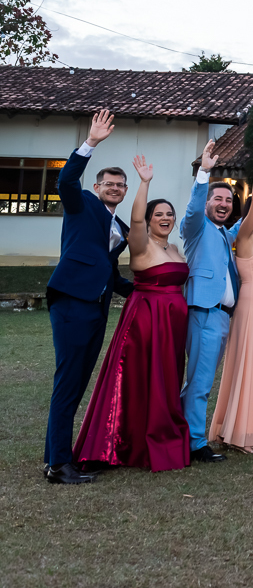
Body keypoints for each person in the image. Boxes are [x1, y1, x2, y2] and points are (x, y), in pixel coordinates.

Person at [74, 154, 191, 472]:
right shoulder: (140, 244)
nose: (165, 218)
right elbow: (135, 220)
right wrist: (144, 183)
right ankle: (121, 443)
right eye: (159, 214)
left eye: (169, 214)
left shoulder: (176, 250)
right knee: (136, 377)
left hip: (173, 323)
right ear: (150, 219)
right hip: (146, 320)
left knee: (166, 379)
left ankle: (162, 434)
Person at [42, 110, 135, 484]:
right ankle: (59, 465)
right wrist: (90, 143)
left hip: (98, 310)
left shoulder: (121, 228)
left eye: (120, 184)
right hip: (71, 303)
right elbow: (65, 179)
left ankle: (55, 457)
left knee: (78, 382)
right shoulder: (81, 204)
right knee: (67, 383)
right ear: (97, 187)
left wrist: (151, 290)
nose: (115, 188)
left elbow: (111, 276)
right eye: (109, 183)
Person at [209, 138, 253, 454]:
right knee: (247, 367)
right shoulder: (245, 234)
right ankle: (242, 436)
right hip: (249, 311)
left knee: (248, 368)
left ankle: (226, 428)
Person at [179, 138, 243, 464]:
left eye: (228, 200)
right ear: (207, 203)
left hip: (221, 317)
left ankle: (180, 435)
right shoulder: (196, 227)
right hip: (203, 313)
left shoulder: (221, 232)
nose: (223, 203)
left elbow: (240, 228)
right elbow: (191, 210)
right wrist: (204, 173)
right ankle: (194, 444)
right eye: (217, 199)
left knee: (201, 381)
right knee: (200, 383)